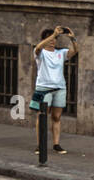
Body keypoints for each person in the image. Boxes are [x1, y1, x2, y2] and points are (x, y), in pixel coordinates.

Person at [30, 26, 77, 154]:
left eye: (55, 38)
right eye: (50, 38)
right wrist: (53, 34)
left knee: (56, 116)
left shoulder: (60, 53)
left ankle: (56, 144)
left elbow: (74, 51)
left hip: (60, 88)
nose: (52, 41)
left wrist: (73, 39)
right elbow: (39, 47)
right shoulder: (40, 53)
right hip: (44, 88)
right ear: (44, 39)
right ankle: (40, 145)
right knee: (42, 115)